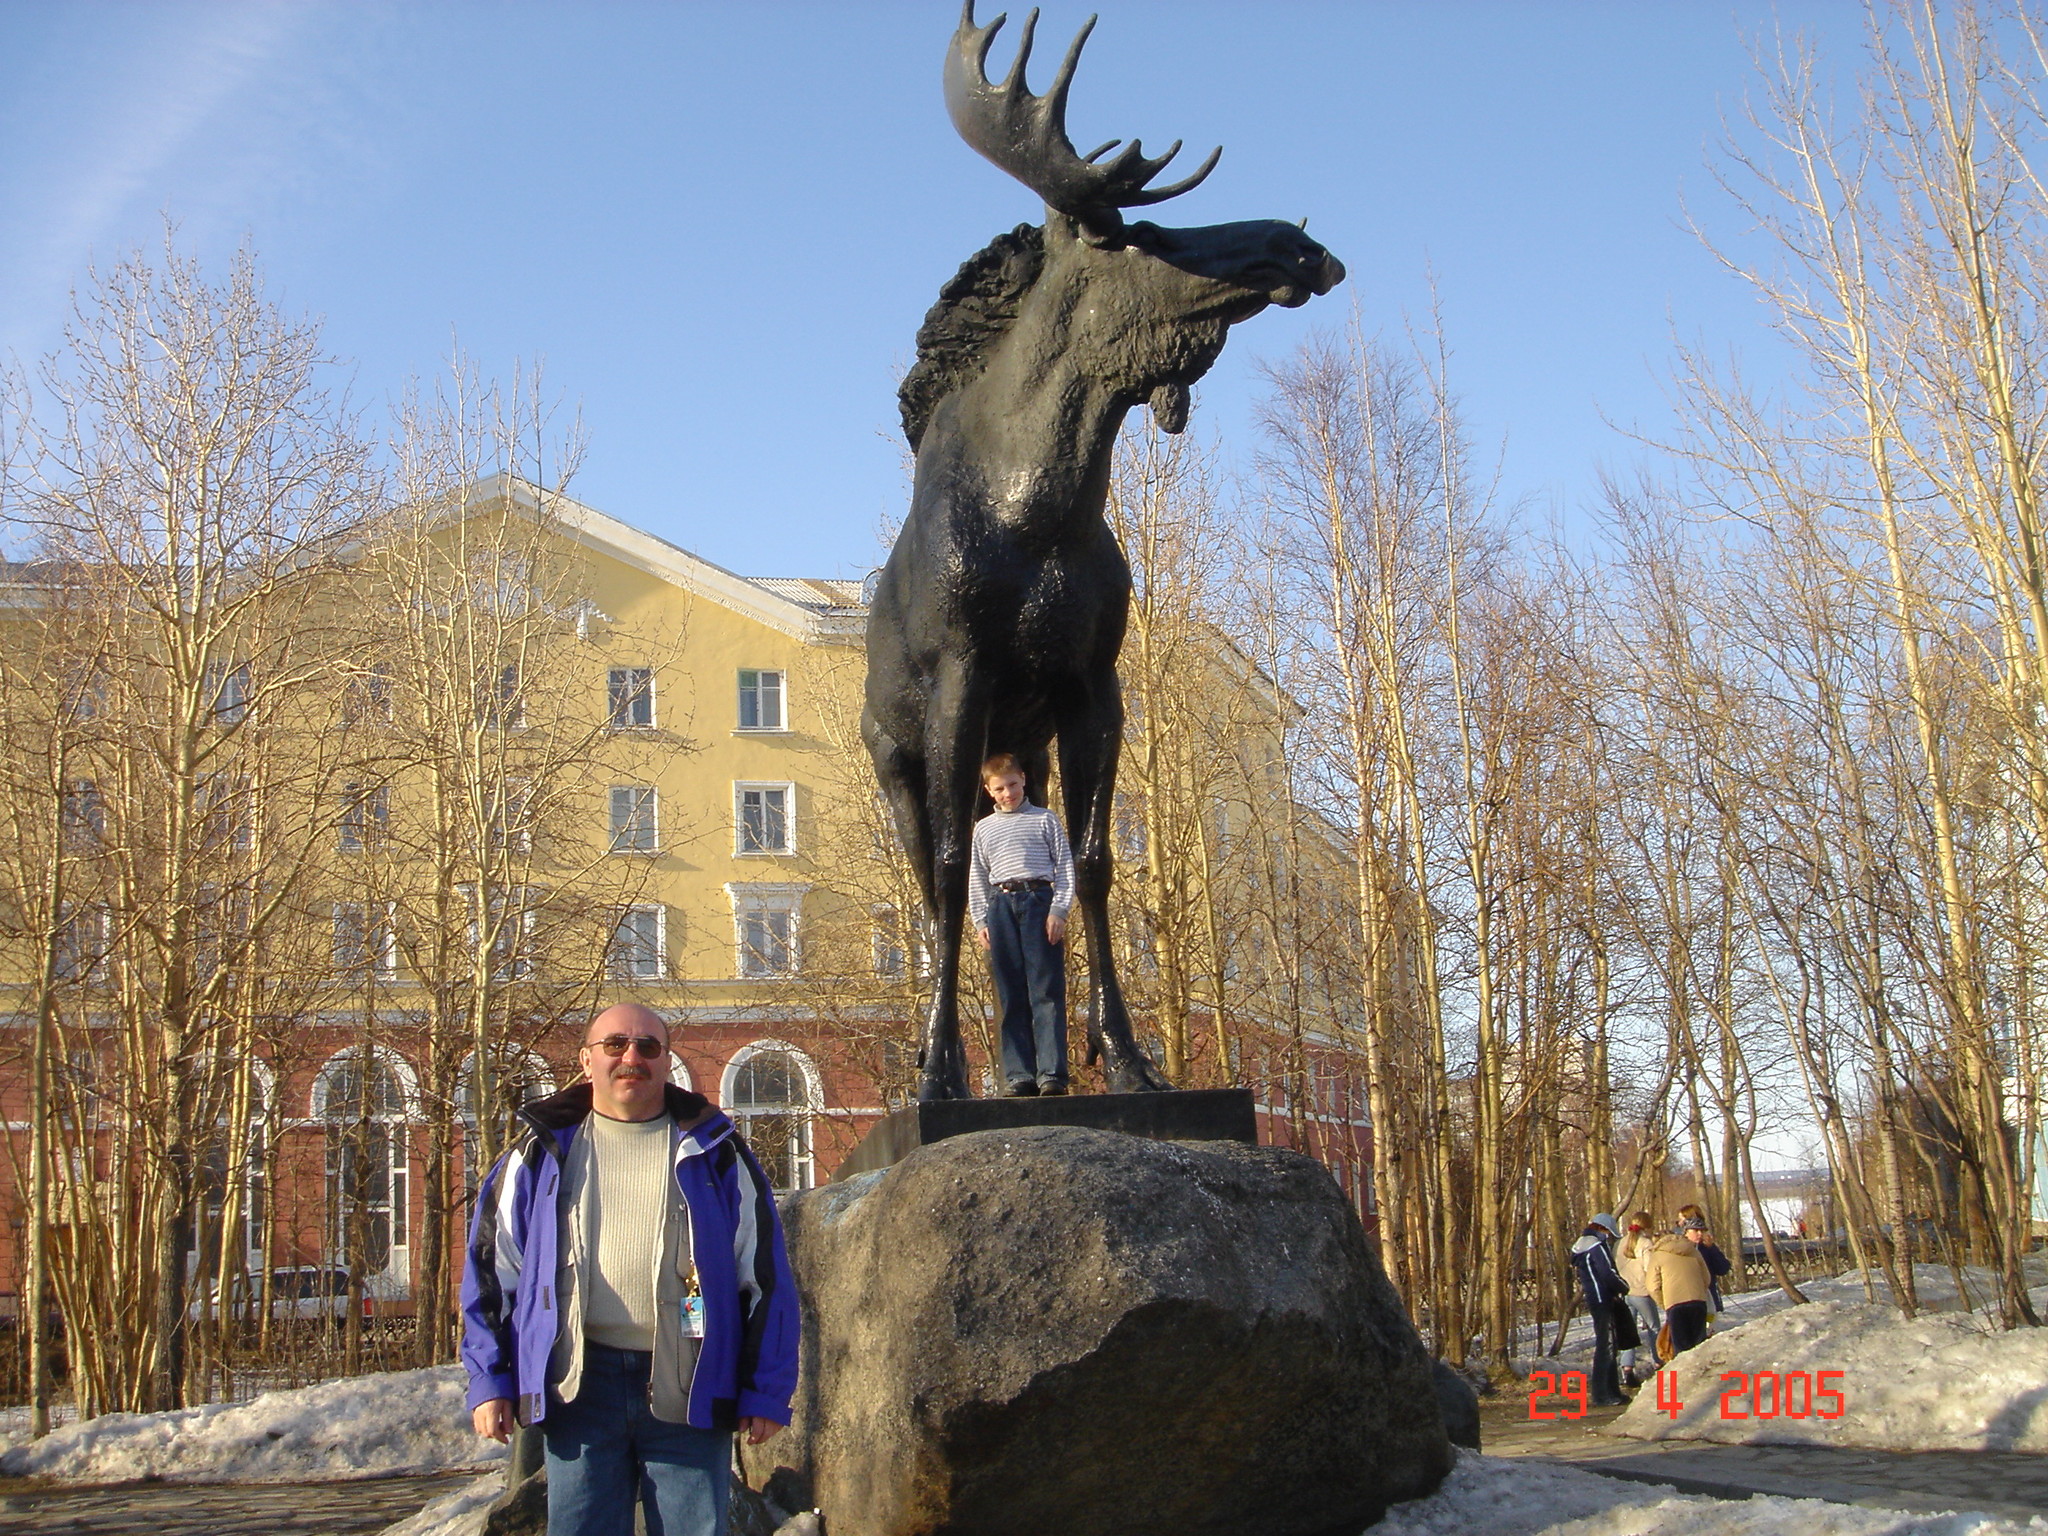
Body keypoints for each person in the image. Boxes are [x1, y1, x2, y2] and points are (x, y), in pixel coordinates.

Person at [462, 1003, 799, 1536]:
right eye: (615, 1044)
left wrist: (765, 1389)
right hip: (576, 1386)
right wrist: (490, 1380)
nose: (631, 1057)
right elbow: (492, 1271)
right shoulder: (540, 1153)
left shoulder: (717, 1153)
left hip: (689, 1380)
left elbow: (765, 1280)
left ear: (667, 1061)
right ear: (587, 1060)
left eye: (648, 1047)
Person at [968, 752, 1076, 1096]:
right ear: (989, 791)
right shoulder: (983, 829)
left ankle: (1052, 1074)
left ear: (1024, 780)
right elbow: (979, 877)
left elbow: (1065, 869)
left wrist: (1059, 910)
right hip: (1001, 905)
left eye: (1012, 785)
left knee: (1045, 992)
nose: (1008, 793)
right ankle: (1019, 1075)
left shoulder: (1045, 820)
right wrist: (981, 919)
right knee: (1010, 994)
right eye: (999, 788)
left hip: (1038, 902)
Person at [1568, 1213, 1635, 1407]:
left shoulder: (1582, 1245)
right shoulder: (1596, 1246)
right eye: (1608, 1233)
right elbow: (1608, 1273)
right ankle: (1603, 1394)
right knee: (1606, 1346)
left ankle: (1611, 1392)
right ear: (1602, 1230)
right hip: (1603, 1298)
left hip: (1596, 1298)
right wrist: (1624, 1287)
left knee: (1607, 1345)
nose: (1609, 1236)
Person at [1643, 1220, 1715, 1356]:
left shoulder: (1658, 1255)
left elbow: (1652, 1286)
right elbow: (1706, 1277)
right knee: (1699, 1344)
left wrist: (1664, 1303)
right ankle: (1703, 1372)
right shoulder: (1693, 1251)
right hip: (1698, 1302)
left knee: (1680, 1347)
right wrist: (1699, 1291)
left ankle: (1683, 1375)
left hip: (1674, 1303)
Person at [1615, 1211, 1661, 1388]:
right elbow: (1650, 1268)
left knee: (1628, 1332)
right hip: (1642, 1292)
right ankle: (1658, 1362)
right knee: (1653, 1328)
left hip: (1625, 1292)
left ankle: (1627, 1369)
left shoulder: (1619, 1243)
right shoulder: (1645, 1243)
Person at [1677, 1205, 1733, 1321]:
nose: (1679, 1223)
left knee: (1710, 1327)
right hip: (1687, 1300)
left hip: (1709, 1298)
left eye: (1682, 1219)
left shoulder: (1705, 1247)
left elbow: (1723, 1268)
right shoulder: (1678, 1247)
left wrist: (1712, 1248)